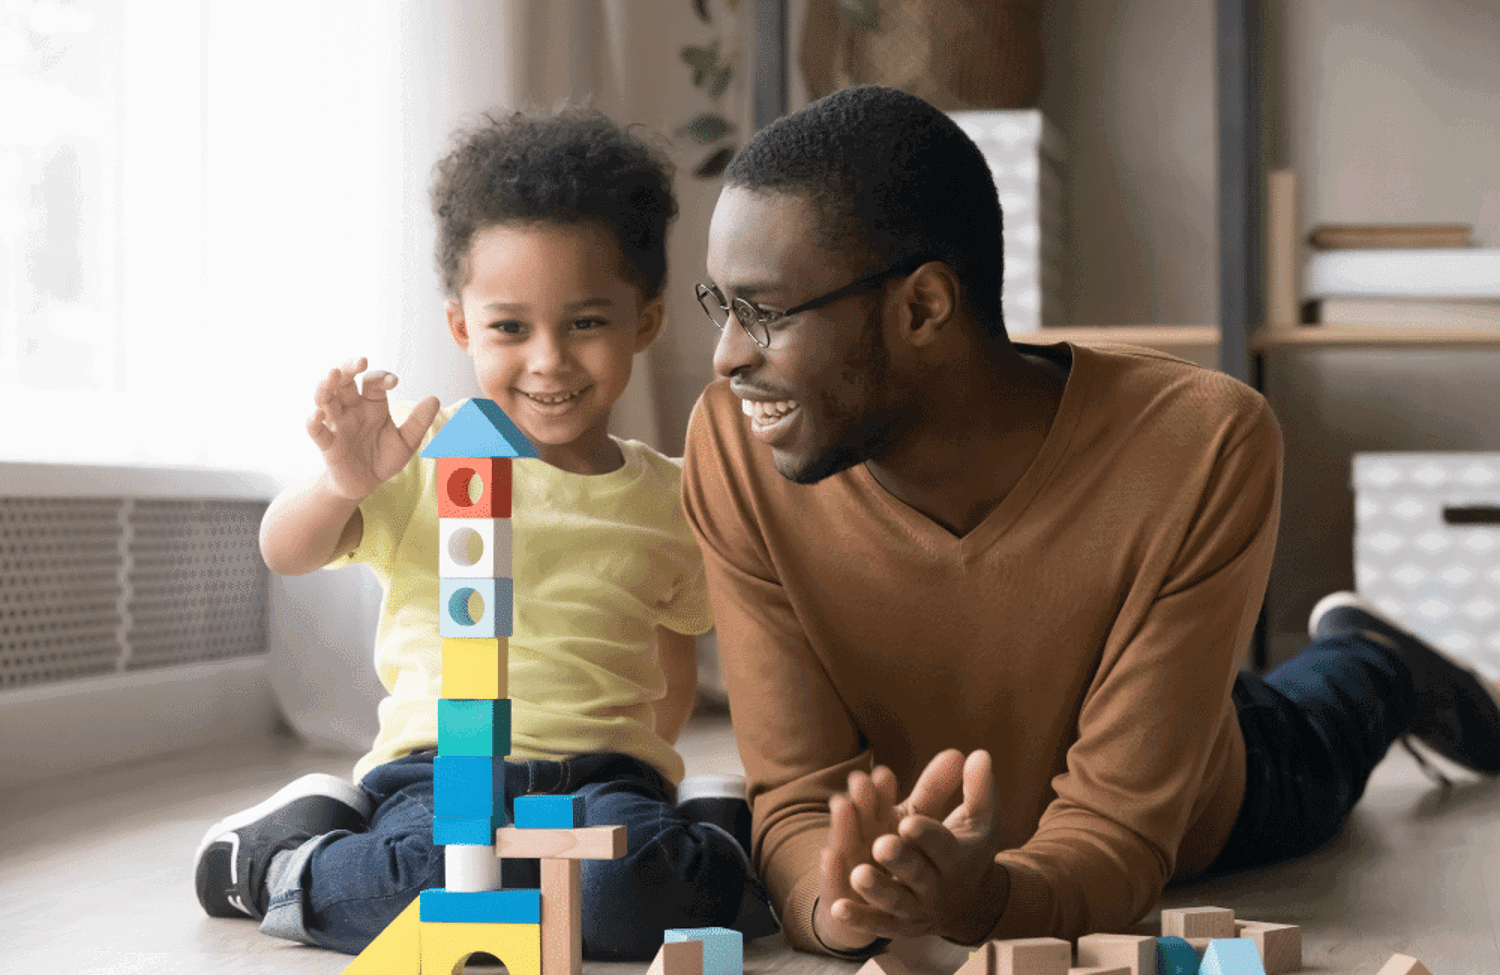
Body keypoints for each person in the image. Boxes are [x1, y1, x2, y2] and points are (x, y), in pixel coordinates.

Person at [679, 84, 1500, 959]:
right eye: (721, 306)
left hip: (1197, 797)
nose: (726, 356)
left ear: (922, 307)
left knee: (1323, 722)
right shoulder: (736, 446)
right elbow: (797, 796)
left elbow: (1120, 834)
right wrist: (844, 902)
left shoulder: (1200, 442)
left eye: (763, 313)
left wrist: (985, 897)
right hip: (960, 825)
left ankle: (1375, 657)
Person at [191, 105, 778, 959]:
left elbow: (673, 655)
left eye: (585, 322)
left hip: (603, 776)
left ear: (645, 322)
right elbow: (285, 550)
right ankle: (281, 856)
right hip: (437, 771)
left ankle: (708, 828)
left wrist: (648, 767)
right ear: (463, 326)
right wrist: (343, 481)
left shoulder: (670, 495)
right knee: (425, 886)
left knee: (629, 896)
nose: (548, 359)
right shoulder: (421, 455)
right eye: (510, 327)